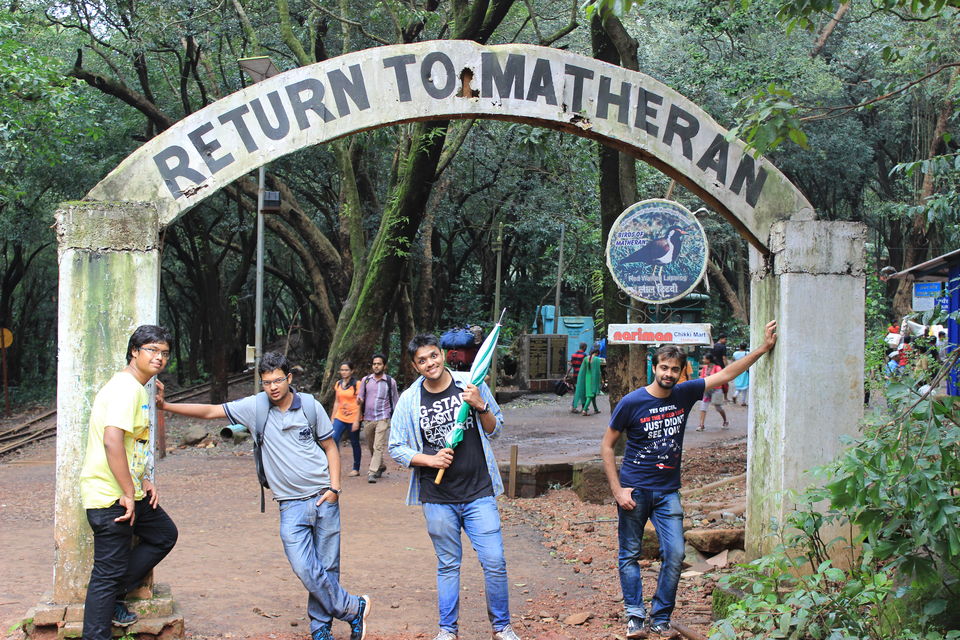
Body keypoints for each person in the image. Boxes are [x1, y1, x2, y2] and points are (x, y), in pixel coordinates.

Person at [158, 352, 370, 640]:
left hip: (323, 496)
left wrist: (335, 489)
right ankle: (353, 607)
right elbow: (211, 412)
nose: (273, 387)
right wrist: (167, 405)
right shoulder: (254, 407)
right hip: (289, 504)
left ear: (289, 378)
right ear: (261, 383)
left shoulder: (308, 405)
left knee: (327, 567)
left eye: (278, 380)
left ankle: (321, 629)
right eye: (266, 382)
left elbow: (330, 447)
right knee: (304, 567)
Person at [601, 321, 777, 638]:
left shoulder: (685, 394)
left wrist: (762, 348)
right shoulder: (632, 402)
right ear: (654, 367)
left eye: (674, 369)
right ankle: (635, 616)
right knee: (629, 554)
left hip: (668, 492)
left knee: (676, 553)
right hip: (634, 490)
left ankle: (661, 617)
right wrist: (617, 489)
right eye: (664, 367)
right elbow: (607, 445)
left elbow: (726, 375)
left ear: (682, 372)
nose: (668, 373)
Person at [388, 334, 521, 640]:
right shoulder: (410, 399)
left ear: (443, 355)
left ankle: (502, 627)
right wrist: (429, 460)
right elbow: (396, 447)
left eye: (433, 356)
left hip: (478, 491)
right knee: (448, 565)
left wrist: (480, 404)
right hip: (437, 496)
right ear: (414, 366)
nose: (429, 364)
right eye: (422, 360)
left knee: (494, 560)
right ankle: (448, 630)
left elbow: (496, 428)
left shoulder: (470, 384)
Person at [80, 325, 179, 640]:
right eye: (151, 350)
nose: (159, 357)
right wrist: (126, 491)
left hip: (128, 491)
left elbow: (131, 443)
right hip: (111, 497)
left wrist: (144, 479)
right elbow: (112, 441)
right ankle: (96, 632)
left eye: (164, 352)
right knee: (106, 576)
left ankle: (112, 599)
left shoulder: (138, 388)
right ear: (134, 351)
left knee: (163, 533)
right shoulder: (126, 388)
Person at [358, 353, 400, 484]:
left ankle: (372, 472)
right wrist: (359, 402)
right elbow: (360, 397)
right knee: (371, 446)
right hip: (368, 418)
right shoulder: (366, 380)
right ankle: (380, 466)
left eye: (379, 364)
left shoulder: (390, 381)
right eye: (374, 364)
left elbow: (395, 399)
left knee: (378, 446)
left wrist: (397, 417)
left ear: (384, 366)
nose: (376, 366)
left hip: (383, 417)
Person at [331, 361, 363, 477]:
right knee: (333, 437)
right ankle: (335, 461)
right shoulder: (338, 384)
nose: (344, 372)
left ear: (352, 371)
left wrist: (357, 420)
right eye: (342, 370)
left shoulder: (357, 384)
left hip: (353, 416)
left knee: (354, 442)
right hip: (340, 416)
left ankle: (356, 468)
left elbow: (360, 403)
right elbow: (336, 402)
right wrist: (333, 418)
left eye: (346, 370)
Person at [695, 354, 728, 431]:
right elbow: (701, 378)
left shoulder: (717, 368)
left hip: (717, 390)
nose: (703, 360)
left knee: (718, 407)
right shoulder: (704, 368)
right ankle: (701, 425)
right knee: (703, 407)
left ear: (709, 360)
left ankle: (725, 420)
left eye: (704, 359)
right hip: (707, 390)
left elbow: (720, 378)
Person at [576, 347, 606, 416]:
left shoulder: (585, 359)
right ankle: (585, 410)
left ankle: (596, 409)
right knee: (590, 395)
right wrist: (601, 379)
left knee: (593, 394)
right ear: (596, 353)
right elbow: (598, 371)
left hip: (587, 378)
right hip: (594, 379)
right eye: (598, 354)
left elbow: (582, 371)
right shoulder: (597, 360)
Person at [569, 342, 588, 414]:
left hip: (575, 375)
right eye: (585, 347)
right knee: (582, 391)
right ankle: (574, 406)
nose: (586, 349)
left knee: (578, 390)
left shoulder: (573, 355)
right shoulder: (584, 355)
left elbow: (571, 365)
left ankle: (582, 407)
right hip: (582, 375)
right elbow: (586, 366)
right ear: (584, 347)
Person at [710, 336, 730, 401]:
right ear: (721, 339)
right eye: (725, 339)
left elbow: (711, 357)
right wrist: (727, 366)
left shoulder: (713, 346)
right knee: (724, 381)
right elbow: (724, 357)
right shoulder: (723, 347)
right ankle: (725, 397)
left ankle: (711, 397)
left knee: (713, 381)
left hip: (714, 366)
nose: (726, 341)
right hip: (721, 366)